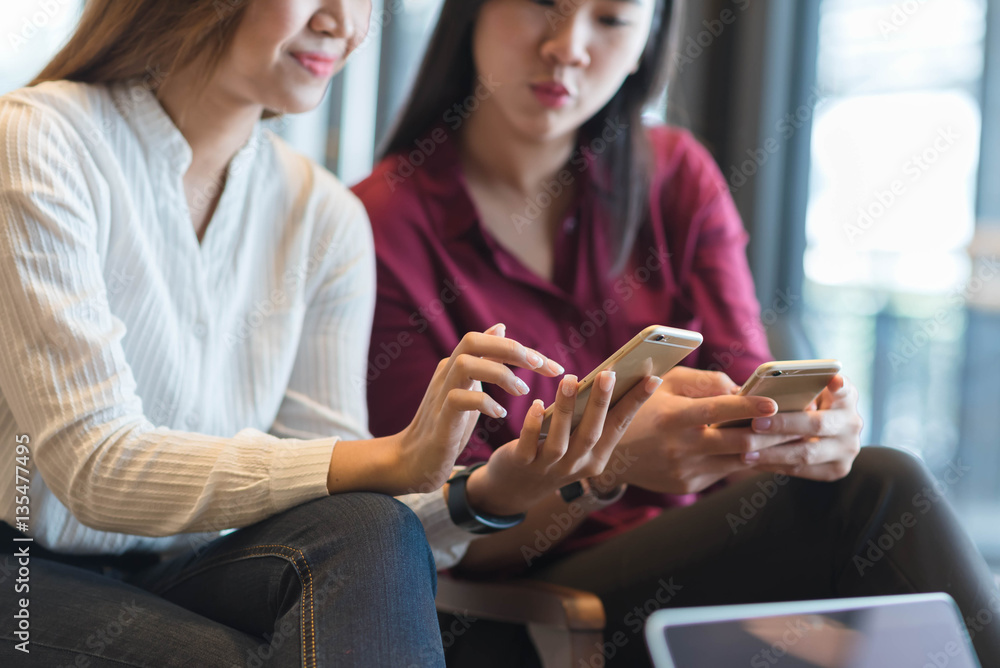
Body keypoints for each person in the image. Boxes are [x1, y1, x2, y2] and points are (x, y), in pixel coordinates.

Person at [0, 0, 657, 664]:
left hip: (188, 568)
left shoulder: (324, 214)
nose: (344, 24)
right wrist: (393, 456)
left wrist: (492, 491)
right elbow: (93, 467)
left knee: (369, 527)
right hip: (25, 572)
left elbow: (336, 489)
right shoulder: (38, 139)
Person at [352, 0, 1000, 665]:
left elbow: (755, 400)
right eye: (542, 3)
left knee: (860, 482)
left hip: (694, 566)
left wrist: (808, 437)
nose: (567, 46)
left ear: (646, 46)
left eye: (610, 19)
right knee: (879, 491)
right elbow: (431, 527)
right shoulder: (379, 226)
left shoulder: (675, 177)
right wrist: (605, 468)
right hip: (522, 609)